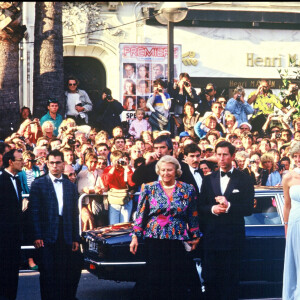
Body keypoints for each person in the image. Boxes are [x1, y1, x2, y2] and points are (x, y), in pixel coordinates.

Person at [129, 155, 202, 300]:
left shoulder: (188, 189)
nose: (166, 173)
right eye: (162, 170)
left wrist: (196, 235)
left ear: (176, 171)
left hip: (178, 237)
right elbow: (140, 214)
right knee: (155, 276)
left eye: (169, 170)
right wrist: (135, 236)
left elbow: (193, 214)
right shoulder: (149, 188)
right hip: (155, 237)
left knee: (177, 276)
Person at [198, 141, 254, 300]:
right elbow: (201, 206)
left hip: (233, 238)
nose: (221, 158)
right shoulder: (208, 179)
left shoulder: (244, 178)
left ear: (233, 156)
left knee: (231, 281)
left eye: (225, 154)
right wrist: (212, 209)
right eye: (219, 154)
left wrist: (229, 206)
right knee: (210, 280)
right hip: (212, 238)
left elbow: (249, 208)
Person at [29, 149, 80, 300]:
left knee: (65, 274)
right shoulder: (38, 184)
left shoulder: (70, 185)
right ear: (47, 164)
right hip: (46, 235)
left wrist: (75, 237)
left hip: (65, 235)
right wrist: (37, 235)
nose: (55, 166)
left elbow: (74, 214)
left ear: (63, 164)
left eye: (58, 163)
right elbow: (34, 212)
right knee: (47, 275)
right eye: (52, 163)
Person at [0, 149, 24, 300]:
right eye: (20, 159)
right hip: (3, 237)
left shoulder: (17, 180)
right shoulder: (2, 181)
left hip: (14, 236)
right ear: (10, 162)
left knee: (13, 274)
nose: (23, 162)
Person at [282, 142, 300, 299]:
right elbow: (286, 205)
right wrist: (286, 228)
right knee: (296, 260)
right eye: (295, 156)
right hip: (295, 223)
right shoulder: (288, 177)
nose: (298, 158)